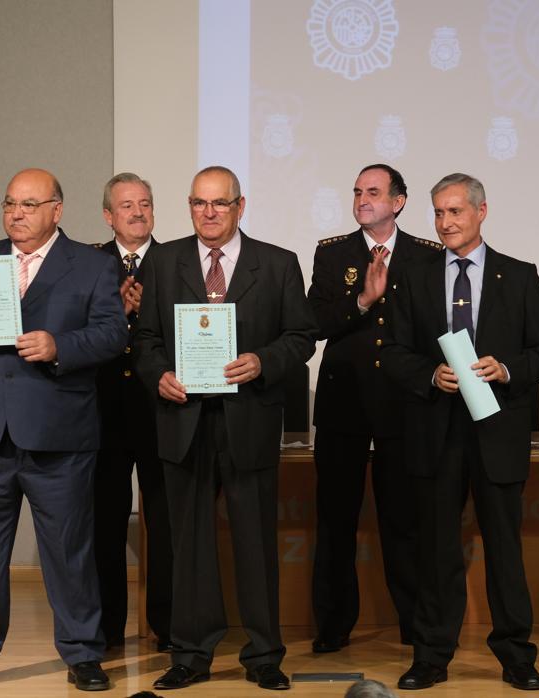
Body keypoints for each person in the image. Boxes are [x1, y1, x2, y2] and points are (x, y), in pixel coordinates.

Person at [0, 168, 127, 692]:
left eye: (29, 205)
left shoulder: (92, 264)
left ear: (56, 210)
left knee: (69, 551)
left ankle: (83, 653)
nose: (16, 213)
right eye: (10, 203)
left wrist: (61, 346)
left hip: (60, 433)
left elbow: (111, 334)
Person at [132, 166, 316, 691]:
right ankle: (190, 655)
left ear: (240, 205)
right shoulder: (164, 261)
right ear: (188, 207)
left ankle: (263, 656)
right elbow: (144, 339)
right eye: (198, 203)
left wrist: (262, 360)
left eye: (219, 203)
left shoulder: (277, 264)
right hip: (183, 420)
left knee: (256, 544)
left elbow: (301, 336)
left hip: (249, 421)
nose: (208, 213)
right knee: (188, 545)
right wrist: (158, 375)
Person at [382, 173, 539, 691]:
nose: (445, 223)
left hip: (497, 432)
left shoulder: (519, 275)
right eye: (438, 213)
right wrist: (426, 375)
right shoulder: (412, 275)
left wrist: (506, 370)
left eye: (455, 212)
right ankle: (431, 656)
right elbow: (392, 351)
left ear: (482, 212)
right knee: (436, 550)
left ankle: (516, 656)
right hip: (435, 431)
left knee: (505, 548)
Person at [308, 164, 441, 652]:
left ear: (399, 202)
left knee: (404, 520)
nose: (363, 199)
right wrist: (361, 300)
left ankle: (414, 624)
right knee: (335, 519)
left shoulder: (428, 256)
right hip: (344, 404)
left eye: (374, 192)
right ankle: (333, 626)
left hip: (404, 405)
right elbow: (315, 321)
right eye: (358, 192)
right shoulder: (333, 253)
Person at [91, 172, 174, 651]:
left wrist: (147, 317)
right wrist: (116, 317)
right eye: (126, 205)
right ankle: (106, 630)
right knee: (105, 521)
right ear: (109, 215)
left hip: (161, 410)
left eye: (145, 203)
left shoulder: (174, 260)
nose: (138, 212)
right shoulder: (89, 263)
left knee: (163, 522)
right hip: (103, 413)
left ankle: (165, 624)